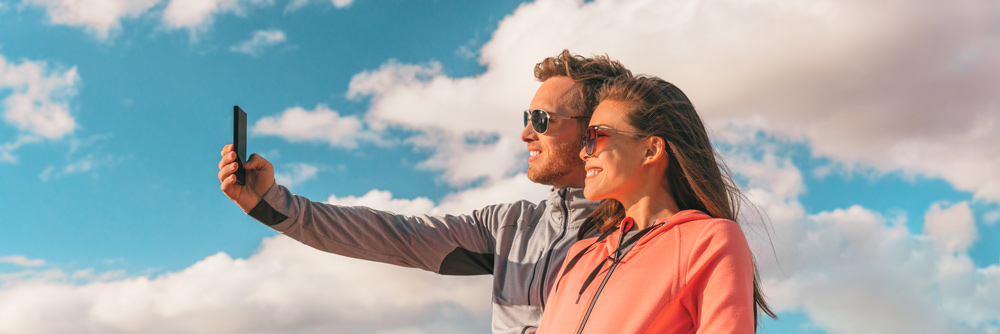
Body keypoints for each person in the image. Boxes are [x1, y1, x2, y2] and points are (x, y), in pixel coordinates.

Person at [217, 50, 631, 334]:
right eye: (527, 117)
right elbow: (393, 235)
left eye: (541, 119)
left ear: (594, 130)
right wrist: (272, 205)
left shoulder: (651, 230)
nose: (525, 133)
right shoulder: (509, 226)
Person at [536, 75, 776, 333]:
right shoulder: (580, 255)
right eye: (585, 140)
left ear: (650, 150)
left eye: (595, 136)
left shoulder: (708, 241)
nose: (585, 152)